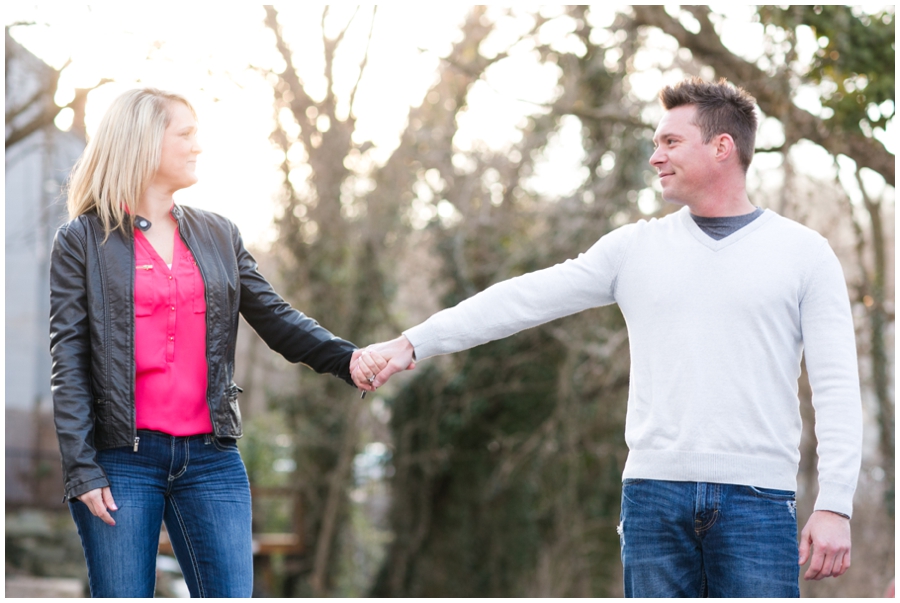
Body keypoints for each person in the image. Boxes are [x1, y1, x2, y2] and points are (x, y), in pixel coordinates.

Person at [351, 78, 862, 597]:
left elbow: (837, 387)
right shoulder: (633, 249)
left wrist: (834, 503)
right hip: (653, 498)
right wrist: (413, 341)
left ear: (722, 147)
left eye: (670, 142)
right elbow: (522, 299)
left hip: (759, 500)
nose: (655, 156)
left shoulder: (804, 254)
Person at [49, 87, 377, 597]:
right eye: (186, 134)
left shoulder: (218, 235)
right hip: (120, 460)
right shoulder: (82, 240)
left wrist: (348, 358)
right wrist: (80, 469)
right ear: (143, 141)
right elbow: (67, 358)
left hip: (211, 458)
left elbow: (276, 318)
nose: (197, 146)